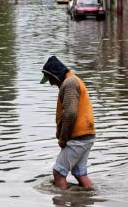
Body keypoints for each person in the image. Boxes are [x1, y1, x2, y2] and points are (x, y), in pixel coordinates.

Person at [40, 56, 96, 190]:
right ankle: (91, 198)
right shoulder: (73, 80)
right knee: (80, 173)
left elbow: (70, 114)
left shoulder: (69, 83)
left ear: (56, 75)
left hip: (79, 137)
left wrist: (63, 139)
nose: (51, 84)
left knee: (58, 173)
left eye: (51, 79)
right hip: (87, 135)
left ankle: (62, 202)